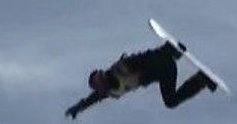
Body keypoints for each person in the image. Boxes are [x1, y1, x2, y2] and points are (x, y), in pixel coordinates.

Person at [65, 41, 217, 119]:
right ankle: (201, 80)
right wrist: (78, 109)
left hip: (158, 60)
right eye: (99, 85)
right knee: (170, 102)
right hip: (165, 72)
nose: (102, 86)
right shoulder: (108, 91)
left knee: (131, 65)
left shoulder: (115, 72)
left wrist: (168, 50)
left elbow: (141, 58)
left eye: (100, 79)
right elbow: (92, 99)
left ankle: (169, 51)